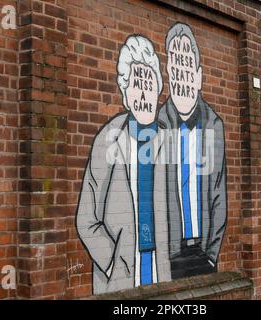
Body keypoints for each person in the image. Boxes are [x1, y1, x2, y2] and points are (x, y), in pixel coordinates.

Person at [76, 35, 171, 294]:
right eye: (136, 85)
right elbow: (86, 218)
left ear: (159, 89)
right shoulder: (108, 140)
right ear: (125, 93)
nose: (144, 94)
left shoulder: (168, 140)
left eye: (149, 84)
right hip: (120, 270)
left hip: (161, 264)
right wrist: (113, 260)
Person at [158, 22, 228, 279]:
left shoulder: (214, 124)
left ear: (198, 75)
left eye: (187, 66)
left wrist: (211, 254)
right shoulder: (157, 123)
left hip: (204, 252)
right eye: (176, 67)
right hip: (170, 253)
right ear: (168, 73)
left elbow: (219, 193)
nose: (181, 74)